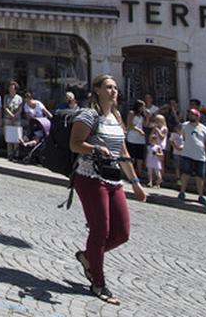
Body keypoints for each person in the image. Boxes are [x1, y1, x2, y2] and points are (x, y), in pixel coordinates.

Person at [68, 74, 146, 306]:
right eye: (109, 87)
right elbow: (75, 144)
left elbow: (123, 152)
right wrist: (96, 148)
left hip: (113, 180)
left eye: (115, 88)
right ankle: (98, 282)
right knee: (100, 231)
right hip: (90, 178)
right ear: (97, 90)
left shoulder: (116, 116)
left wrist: (135, 183)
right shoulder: (88, 114)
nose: (114, 91)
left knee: (121, 233)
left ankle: (87, 257)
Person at [176, 109, 206, 205]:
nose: (191, 116)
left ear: (197, 116)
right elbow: (181, 136)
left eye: (193, 114)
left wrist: (202, 147)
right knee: (185, 173)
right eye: (190, 114)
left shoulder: (204, 128)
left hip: (200, 156)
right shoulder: (185, 125)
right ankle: (182, 192)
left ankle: (200, 195)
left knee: (200, 176)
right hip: (187, 153)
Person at [124, 100, 148, 181]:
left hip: (140, 139)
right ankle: (131, 174)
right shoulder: (132, 113)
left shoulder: (142, 115)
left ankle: (139, 174)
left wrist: (148, 116)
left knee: (139, 157)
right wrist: (139, 130)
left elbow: (145, 125)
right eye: (142, 106)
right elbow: (130, 125)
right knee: (132, 156)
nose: (143, 108)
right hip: (132, 137)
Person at [1, 81, 24, 154]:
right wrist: (11, 115)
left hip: (17, 120)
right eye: (10, 88)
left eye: (12, 88)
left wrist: (15, 116)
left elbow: (20, 108)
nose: (11, 89)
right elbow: (5, 107)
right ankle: (9, 153)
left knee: (16, 136)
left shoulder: (19, 98)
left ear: (15, 89)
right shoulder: (6, 97)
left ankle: (16, 153)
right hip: (8, 119)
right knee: (9, 136)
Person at [145, 115, 166, 189]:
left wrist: (157, 130)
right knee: (151, 167)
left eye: (158, 121)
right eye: (156, 121)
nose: (157, 123)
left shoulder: (164, 128)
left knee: (160, 165)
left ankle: (159, 181)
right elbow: (150, 137)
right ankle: (151, 181)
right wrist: (153, 130)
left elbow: (162, 137)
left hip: (160, 147)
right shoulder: (154, 128)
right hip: (152, 147)